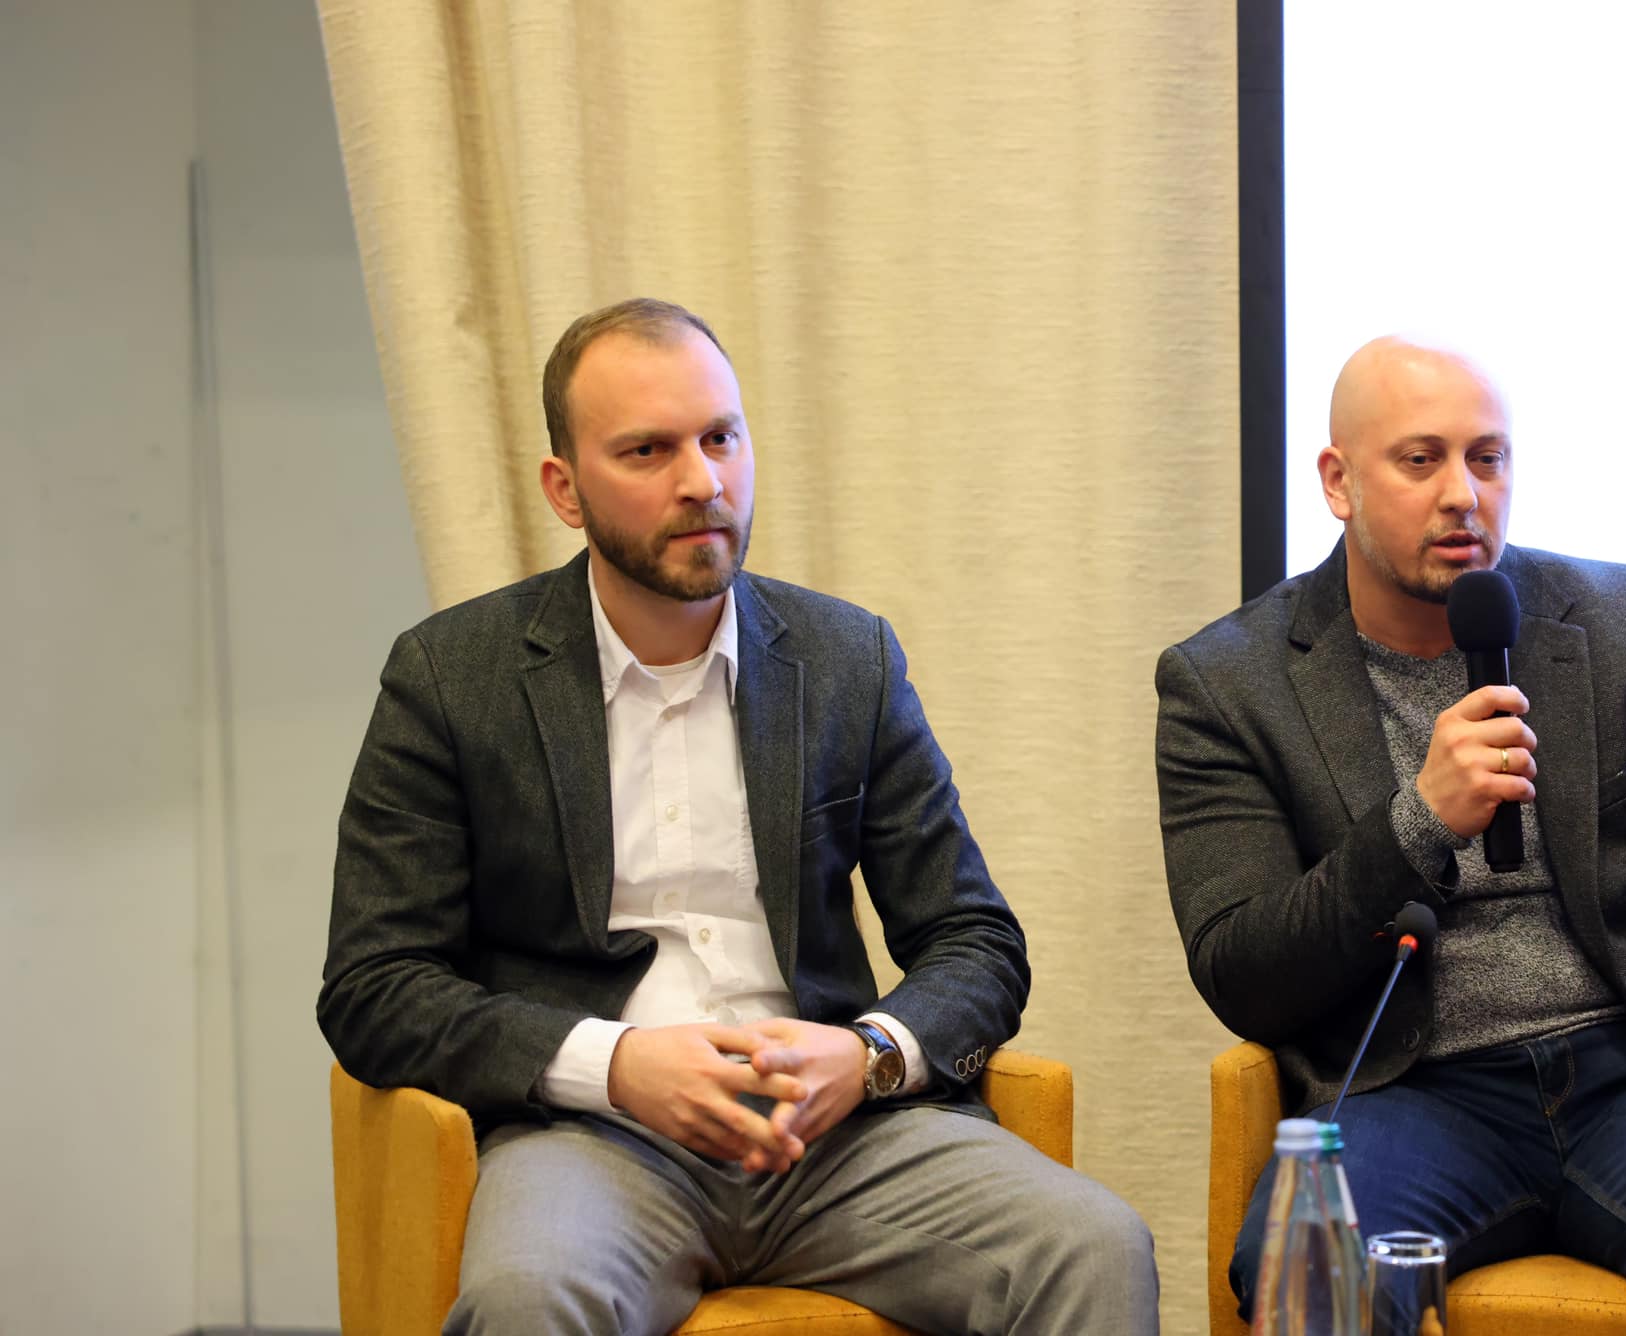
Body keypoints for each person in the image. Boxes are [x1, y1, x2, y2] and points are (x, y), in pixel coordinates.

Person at [321, 297, 1157, 1335]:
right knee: (524, 1298)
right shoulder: (454, 676)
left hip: (838, 1139)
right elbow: (374, 987)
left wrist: (866, 1054)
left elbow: (974, 941)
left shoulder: (845, 658)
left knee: (1093, 1244)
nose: (701, 481)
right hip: (591, 1139)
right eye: (647, 450)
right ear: (565, 488)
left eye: (720, 437)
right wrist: (615, 1064)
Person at [1154, 336, 1626, 1333]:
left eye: (1487, 459)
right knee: (1308, 1264)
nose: (1463, 494)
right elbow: (1241, 967)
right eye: (1420, 460)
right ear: (1338, 481)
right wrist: (1416, 824)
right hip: (1412, 1094)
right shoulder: (1226, 684)